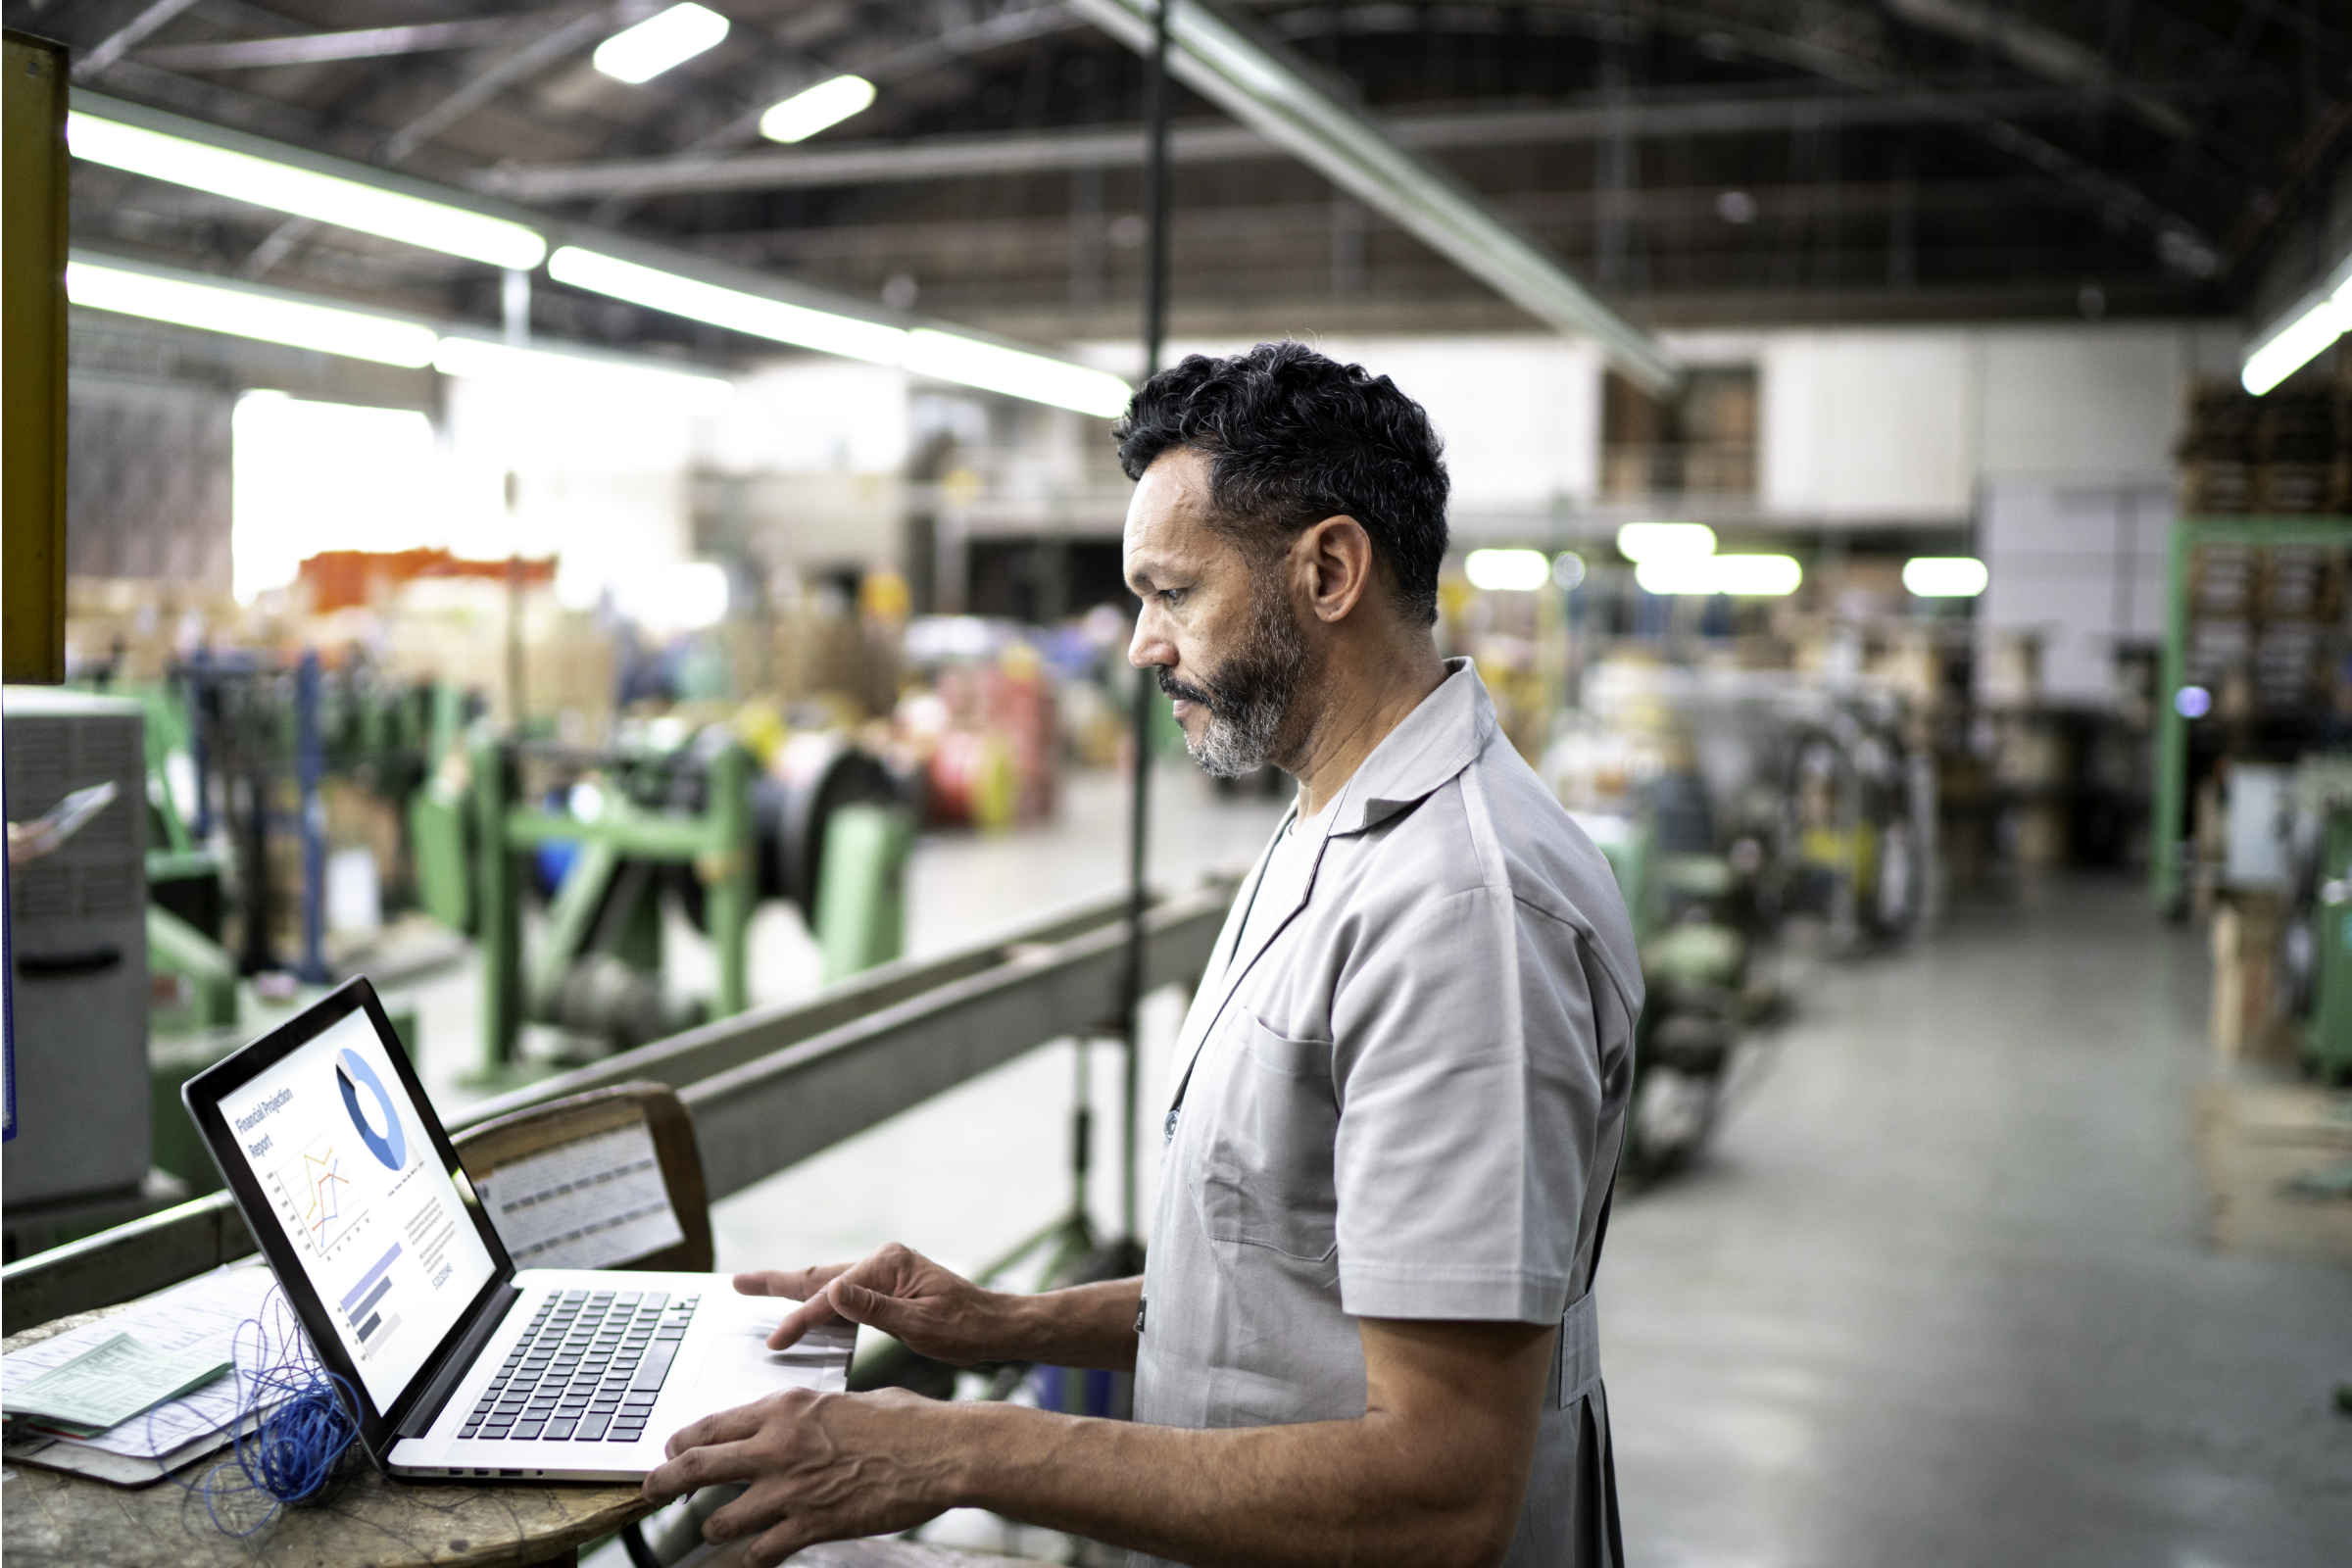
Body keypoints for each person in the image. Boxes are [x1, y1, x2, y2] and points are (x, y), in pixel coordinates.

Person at [645, 342, 1642, 1568]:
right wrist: (1006, 1319)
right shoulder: (1334, 816)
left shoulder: (1461, 911)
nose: (1139, 647)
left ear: (1330, 568)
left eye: (1172, 593)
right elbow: (1291, 1287)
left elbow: (1442, 1488)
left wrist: (963, 1450)